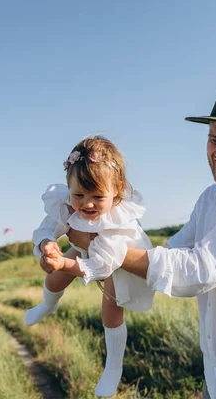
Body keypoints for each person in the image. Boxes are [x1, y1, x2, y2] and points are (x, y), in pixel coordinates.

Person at [44, 82, 216, 399]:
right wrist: (103, 236)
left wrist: (102, 248)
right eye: (214, 140)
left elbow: (196, 272)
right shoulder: (210, 198)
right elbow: (170, 255)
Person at [27, 135, 155, 397]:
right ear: (68, 187)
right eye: (79, 195)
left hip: (116, 260)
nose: (87, 204)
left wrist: (65, 261)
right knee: (54, 279)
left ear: (116, 190)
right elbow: (47, 227)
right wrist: (47, 246)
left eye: (97, 196)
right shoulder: (66, 203)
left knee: (110, 308)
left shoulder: (119, 222)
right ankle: (47, 306)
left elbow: (102, 265)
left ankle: (113, 367)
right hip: (87, 247)